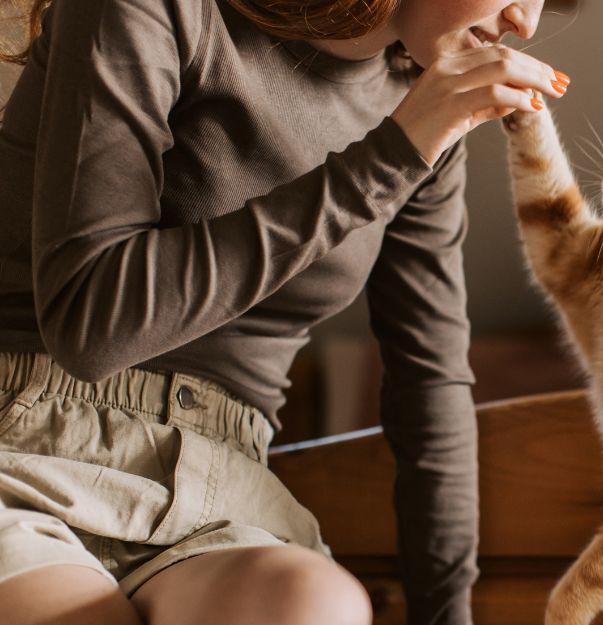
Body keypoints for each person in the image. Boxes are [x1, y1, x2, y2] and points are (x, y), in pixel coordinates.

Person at [0, 0, 569, 623]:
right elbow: (91, 328)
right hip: (26, 450)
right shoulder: (149, 10)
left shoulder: (420, 112)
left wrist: (444, 616)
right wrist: (391, 155)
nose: (527, 20)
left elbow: (428, 385)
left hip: (226, 494)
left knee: (313, 604)